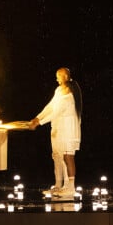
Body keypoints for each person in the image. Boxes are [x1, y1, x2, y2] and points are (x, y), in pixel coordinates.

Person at [29, 67, 82, 196]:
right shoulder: (59, 90)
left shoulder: (69, 95)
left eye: (58, 75)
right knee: (57, 157)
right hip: (57, 128)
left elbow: (56, 113)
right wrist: (37, 117)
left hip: (68, 129)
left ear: (65, 76)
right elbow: (50, 106)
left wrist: (39, 123)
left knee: (67, 157)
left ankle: (69, 188)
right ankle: (58, 186)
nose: (56, 78)